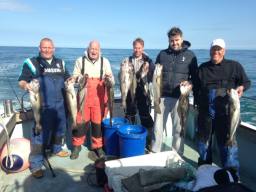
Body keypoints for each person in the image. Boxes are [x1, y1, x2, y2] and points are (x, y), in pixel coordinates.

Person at [18, 38, 70, 178]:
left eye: (49, 47)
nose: (47, 50)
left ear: (54, 48)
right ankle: (35, 164)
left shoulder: (61, 63)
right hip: (42, 107)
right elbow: (21, 81)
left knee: (60, 129)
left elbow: (67, 78)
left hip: (60, 105)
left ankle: (57, 148)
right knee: (39, 134)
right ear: (39, 48)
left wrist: (72, 80)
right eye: (44, 47)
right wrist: (26, 86)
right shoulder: (31, 63)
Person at [197, 38, 251, 175]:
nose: (216, 52)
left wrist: (241, 87)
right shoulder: (203, 68)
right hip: (206, 113)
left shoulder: (234, 66)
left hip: (226, 114)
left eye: (219, 49)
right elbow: (196, 87)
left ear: (224, 51)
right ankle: (204, 172)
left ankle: (231, 176)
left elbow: (246, 82)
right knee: (204, 145)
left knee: (228, 146)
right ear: (210, 51)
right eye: (214, 49)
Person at [151, 27, 199, 155]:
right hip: (162, 97)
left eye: (177, 40)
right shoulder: (162, 54)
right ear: (169, 40)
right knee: (157, 128)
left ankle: (177, 155)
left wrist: (190, 83)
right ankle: (155, 152)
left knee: (179, 129)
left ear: (181, 39)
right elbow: (155, 73)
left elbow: (195, 78)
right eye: (172, 40)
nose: (174, 43)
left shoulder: (190, 55)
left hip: (180, 98)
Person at [70, 40, 114, 159]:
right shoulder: (80, 61)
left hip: (99, 97)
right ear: (88, 49)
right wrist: (79, 78)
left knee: (97, 123)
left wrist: (109, 79)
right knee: (80, 122)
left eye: (96, 49)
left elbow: (112, 81)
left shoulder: (105, 62)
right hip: (84, 95)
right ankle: (77, 146)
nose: (94, 51)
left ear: (99, 50)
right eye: (92, 49)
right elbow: (74, 76)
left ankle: (98, 146)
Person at [120, 37, 155, 150]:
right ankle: (130, 139)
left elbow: (153, 77)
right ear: (133, 47)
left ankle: (148, 140)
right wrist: (122, 70)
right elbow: (120, 78)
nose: (137, 50)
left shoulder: (148, 61)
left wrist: (147, 72)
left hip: (143, 93)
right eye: (135, 48)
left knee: (145, 117)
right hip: (130, 93)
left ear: (143, 48)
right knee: (130, 115)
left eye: (139, 48)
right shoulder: (127, 60)